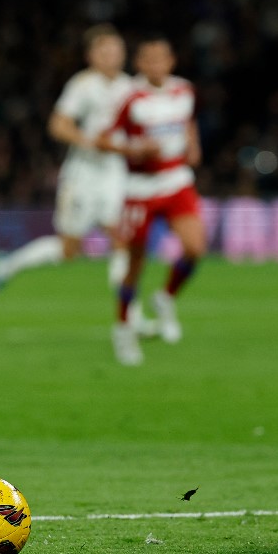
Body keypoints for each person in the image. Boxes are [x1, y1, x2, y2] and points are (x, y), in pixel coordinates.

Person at [0, 25, 139, 305]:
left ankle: (128, 313)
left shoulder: (130, 87)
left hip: (114, 171)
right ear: (91, 55)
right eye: (105, 51)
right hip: (83, 173)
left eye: (116, 50)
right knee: (69, 250)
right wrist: (91, 141)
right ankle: (7, 265)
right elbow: (58, 125)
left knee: (121, 237)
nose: (112, 56)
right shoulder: (83, 85)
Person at [96, 34, 204, 366]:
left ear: (171, 61)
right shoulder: (131, 98)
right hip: (141, 188)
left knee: (195, 248)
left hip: (176, 180)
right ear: (140, 64)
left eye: (162, 58)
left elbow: (187, 121)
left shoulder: (184, 90)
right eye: (149, 59)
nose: (156, 65)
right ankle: (123, 329)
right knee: (135, 266)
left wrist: (193, 145)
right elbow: (102, 139)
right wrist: (133, 148)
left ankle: (166, 298)